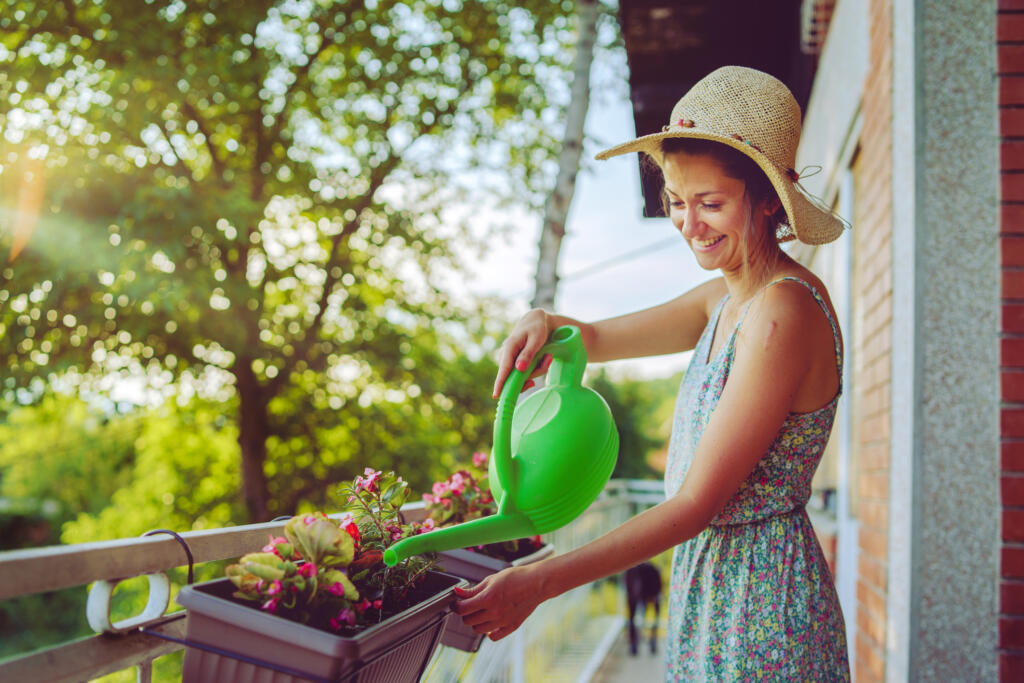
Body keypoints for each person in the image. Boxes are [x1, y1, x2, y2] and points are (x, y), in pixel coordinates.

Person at [454, 66, 851, 681]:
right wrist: (542, 320)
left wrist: (537, 582)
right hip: (712, 583)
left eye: (710, 204)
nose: (688, 225)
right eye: (675, 202)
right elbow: (588, 337)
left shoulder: (782, 310)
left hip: (761, 600)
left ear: (769, 197)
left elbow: (695, 504)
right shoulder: (723, 300)